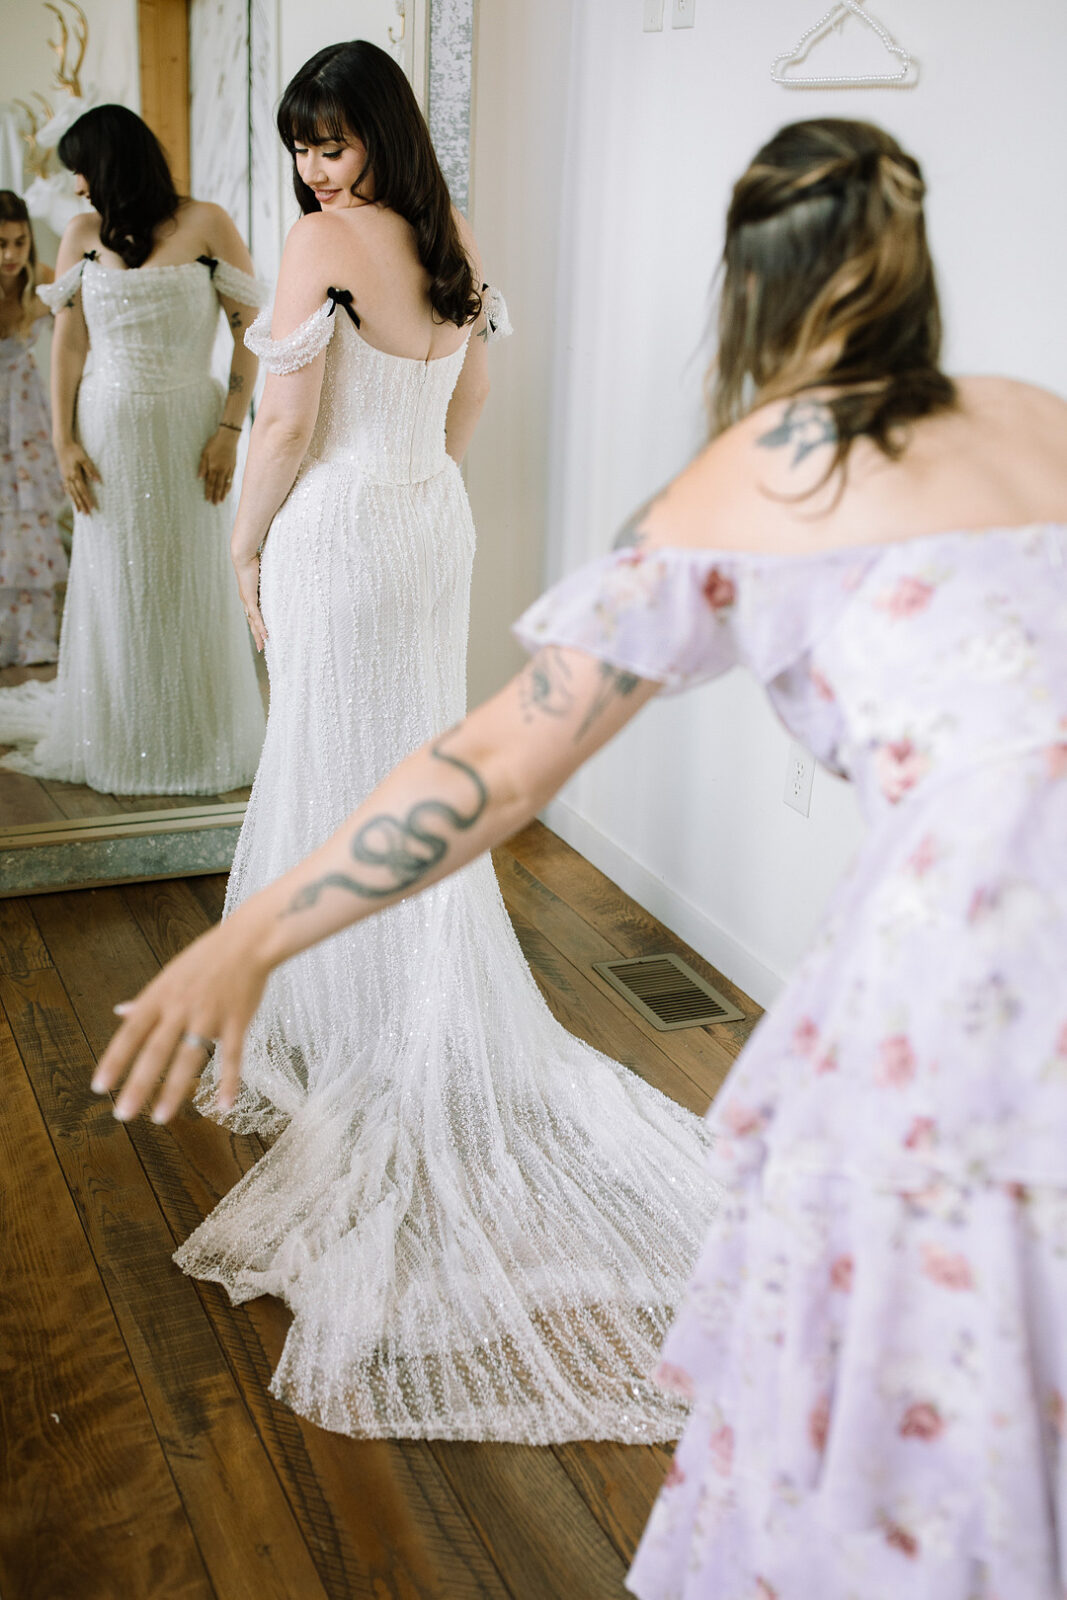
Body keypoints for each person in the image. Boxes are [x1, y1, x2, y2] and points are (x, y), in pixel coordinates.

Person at [98, 115, 1067, 1593]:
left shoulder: (764, 472)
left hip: (962, 1019)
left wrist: (252, 934)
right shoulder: (1036, 417)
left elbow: (489, 769)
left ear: (745, 296)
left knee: (916, 1434)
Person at [125, 37, 717, 1448]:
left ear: (373, 131)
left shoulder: (323, 242)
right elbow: (473, 400)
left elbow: (277, 421)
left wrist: (245, 543)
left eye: (330, 141)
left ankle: (338, 1018)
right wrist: (406, 486)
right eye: (303, 150)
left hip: (335, 523)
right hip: (423, 524)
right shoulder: (450, 233)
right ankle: (384, 995)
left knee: (328, 758)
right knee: (404, 763)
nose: (315, 170)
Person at [0, 105, 266, 794]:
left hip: (189, 431)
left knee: (188, 583)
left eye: (84, 169)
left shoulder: (208, 223)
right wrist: (63, 442)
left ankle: (194, 738)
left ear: (113, 161)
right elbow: (70, 341)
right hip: (107, 434)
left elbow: (248, 331)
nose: (79, 185)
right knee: (120, 589)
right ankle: (123, 741)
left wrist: (231, 429)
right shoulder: (80, 234)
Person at [0, 191, 67, 667]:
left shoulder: (44, 284)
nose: (10, 254)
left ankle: (32, 638)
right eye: (0, 243)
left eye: (20, 242)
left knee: (29, 519)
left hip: (25, 411)